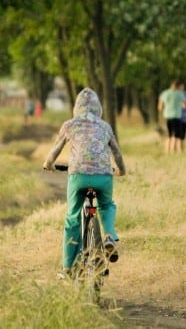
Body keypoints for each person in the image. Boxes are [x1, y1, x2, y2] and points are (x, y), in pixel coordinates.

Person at [42, 88, 127, 278]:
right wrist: (121, 170)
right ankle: (109, 236)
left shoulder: (69, 125)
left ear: (76, 108)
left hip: (78, 177)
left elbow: (54, 151)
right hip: (104, 177)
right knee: (106, 205)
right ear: (98, 108)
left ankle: (68, 267)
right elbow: (117, 154)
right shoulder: (105, 126)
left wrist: (48, 165)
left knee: (72, 217)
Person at [157, 79, 186, 153]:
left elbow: (160, 107)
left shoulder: (164, 93)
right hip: (176, 116)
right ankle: (174, 151)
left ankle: (167, 151)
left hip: (167, 116)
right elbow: (184, 105)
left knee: (168, 135)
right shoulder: (180, 94)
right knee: (176, 136)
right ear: (178, 86)